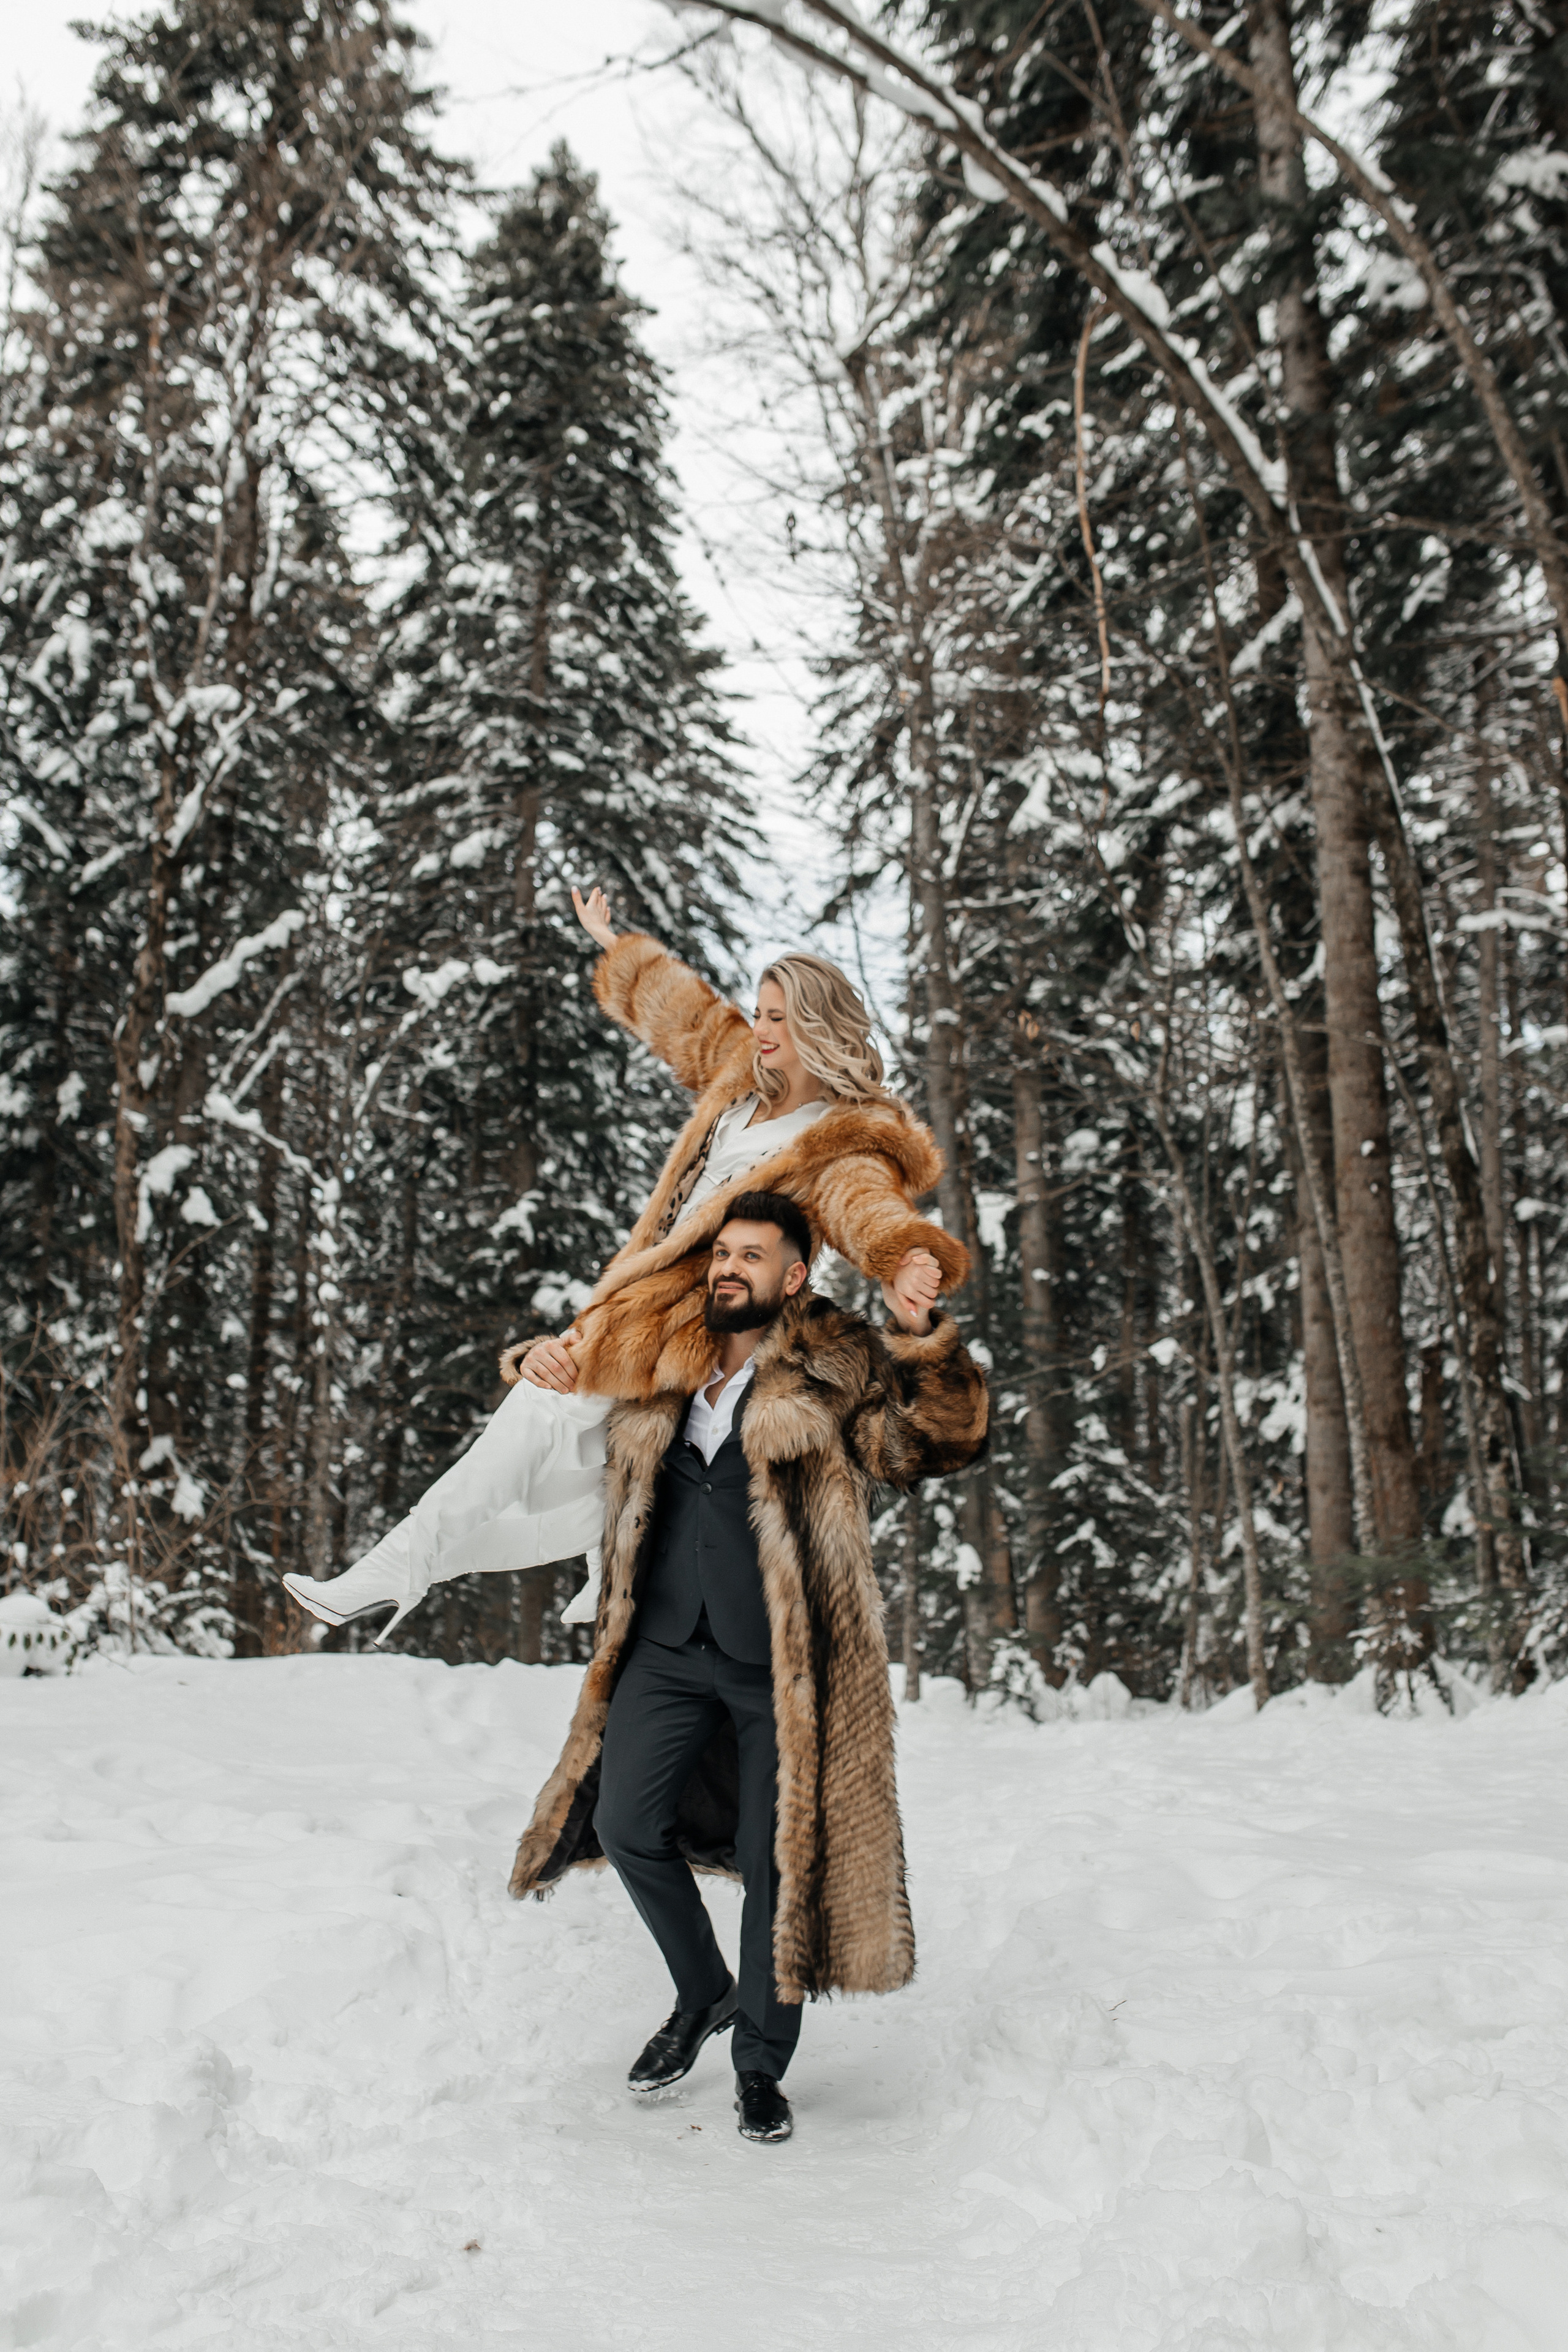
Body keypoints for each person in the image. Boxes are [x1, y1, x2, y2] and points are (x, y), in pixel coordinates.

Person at [282, 887, 970, 1643]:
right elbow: (685, 1018)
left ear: (818, 1028)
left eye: (779, 1017)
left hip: (702, 1329)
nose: (763, 1029)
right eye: (762, 1012)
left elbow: (863, 1203)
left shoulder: (842, 1137)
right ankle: (515, 1563)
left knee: (544, 1416)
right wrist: (617, 947)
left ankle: (402, 1567)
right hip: (635, 1311)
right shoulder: (739, 1076)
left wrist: (903, 1256)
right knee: (572, 1488)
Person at [508, 1189, 989, 2143]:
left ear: (794, 1275)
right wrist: (532, 1360)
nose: (728, 1267)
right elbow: (561, 1384)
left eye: (751, 1256)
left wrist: (920, 1336)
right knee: (624, 1820)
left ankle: (761, 2066)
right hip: (662, 1647)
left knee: (781, 1866)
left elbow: (927, 1447)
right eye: (722, 1251)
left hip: (788, 1664)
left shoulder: (838, 1361)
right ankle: (703, 1990)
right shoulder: (661, 1343)